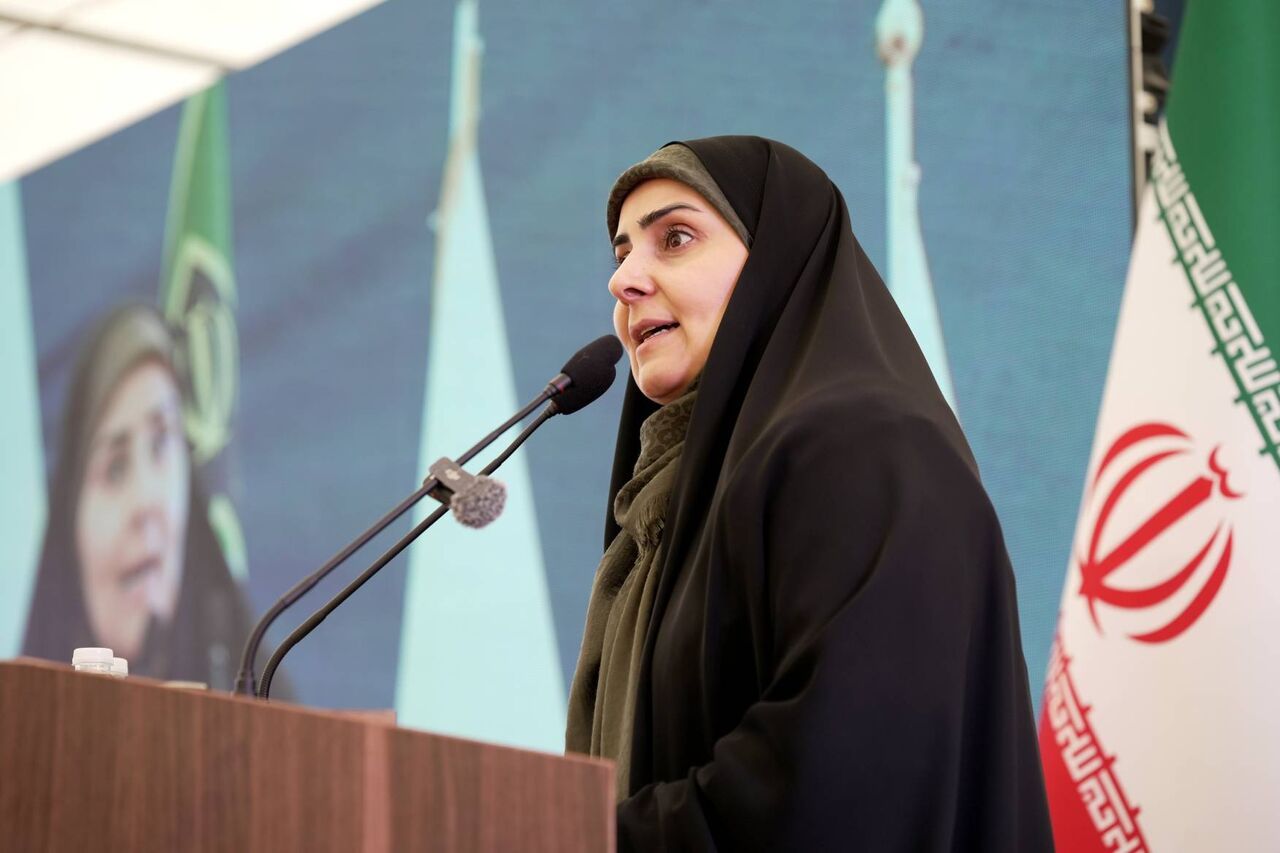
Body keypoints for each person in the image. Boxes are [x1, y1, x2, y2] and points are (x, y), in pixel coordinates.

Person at [566, 137, 1053, 850]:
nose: (624, 280)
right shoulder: (673, 502)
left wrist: (561, 835)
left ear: (777, 263)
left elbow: (840, 783)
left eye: (674, 238)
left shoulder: (866, 449)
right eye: (620, 253)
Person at [22, 304, 251, 689]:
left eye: (161, 444)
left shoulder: (259, 695)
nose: (146, 503)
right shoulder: (24, 715)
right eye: (114, 468)